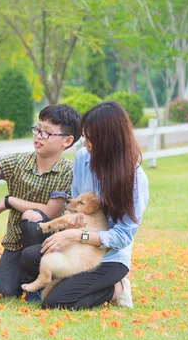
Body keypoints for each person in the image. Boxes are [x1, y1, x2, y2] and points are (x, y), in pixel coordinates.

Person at [20, 101, 149, 309]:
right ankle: (70, 280)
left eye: (91, 139)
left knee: (56, 301)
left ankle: (117, 287)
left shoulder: (134, 178)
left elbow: (123, 236)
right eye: (85, 137)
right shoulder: (83, 158)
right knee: (29, 257)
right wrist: (72, 225)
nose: (86, 144)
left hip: (110, 257)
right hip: (78, 249)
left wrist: (79, 235)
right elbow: (76, 201)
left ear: (110, 141)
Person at [0, 105, 81, 299]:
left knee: (33, 218)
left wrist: (9, 201)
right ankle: (23, 278)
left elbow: (51, 211)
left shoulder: (68, 171)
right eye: (38, 130)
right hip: (15, 243)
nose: (39, 136)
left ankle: (40, 282)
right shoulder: (19, 162)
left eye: (47, 133)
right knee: (2, 292)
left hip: (46, 245)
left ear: (67, 140)